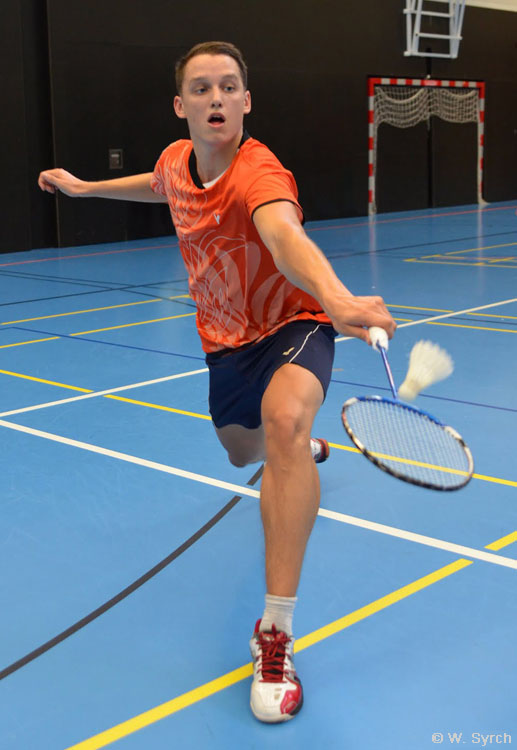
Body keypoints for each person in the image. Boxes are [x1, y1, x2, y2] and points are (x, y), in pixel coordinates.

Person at [38, 41, 396, 723]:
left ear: (246, 101)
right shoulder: (177, 161)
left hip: (294, 322)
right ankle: (296, 451)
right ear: (181, 106)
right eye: (201, 88)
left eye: (229, 87)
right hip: (226, 343)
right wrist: (84, 188)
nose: (216, 99)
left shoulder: (260, 172)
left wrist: (337, 298)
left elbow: (284, 236)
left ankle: (275, 634)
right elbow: (157, 183)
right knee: (242, 451)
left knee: (285, 420)